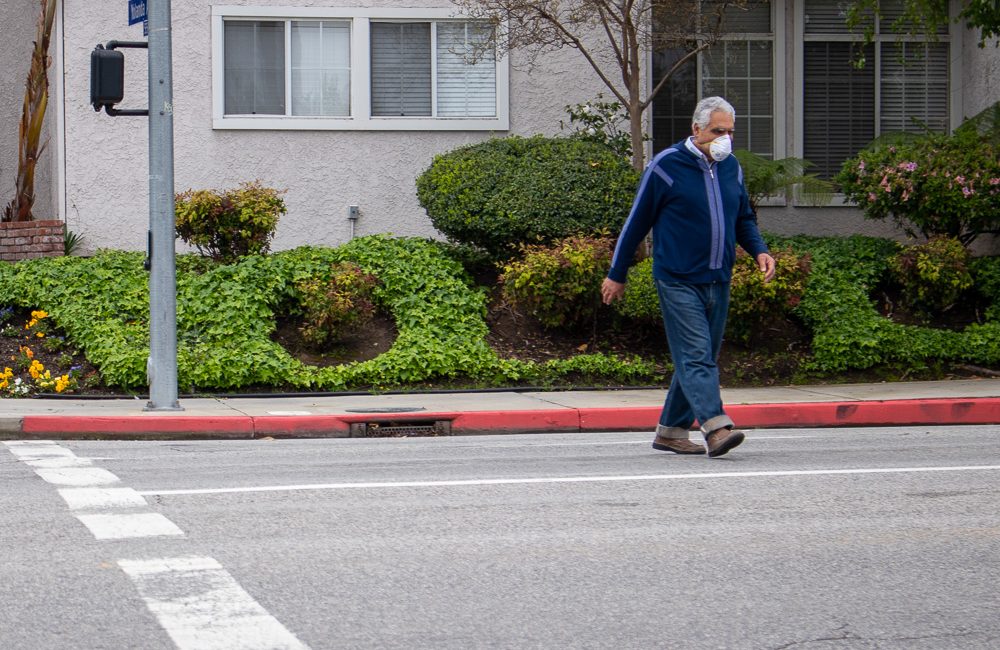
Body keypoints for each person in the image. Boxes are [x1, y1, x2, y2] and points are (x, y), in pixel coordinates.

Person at [601, 96, 775, 458]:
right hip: (677, 278)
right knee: (697, 357)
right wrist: (617, 274)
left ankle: (670, 432)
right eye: (717, 131)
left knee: (699, 358)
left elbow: (743, 217)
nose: (724, 138)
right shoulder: (667, 166)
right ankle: (716, 426)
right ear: (696, 130)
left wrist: (759, 249)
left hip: (718, 278)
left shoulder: (732, 168)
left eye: (729, 131)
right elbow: (636, 222)